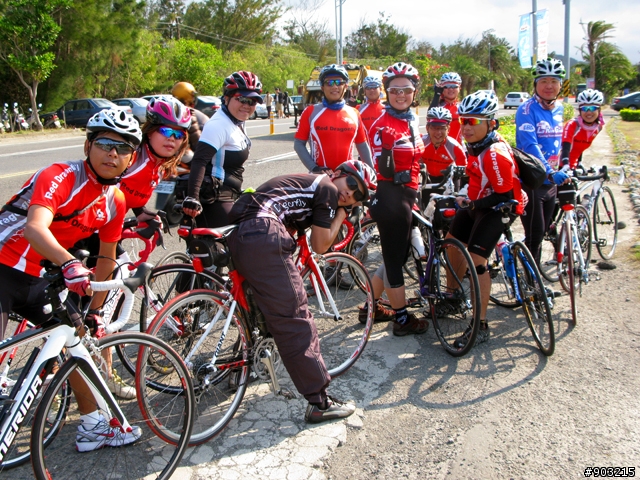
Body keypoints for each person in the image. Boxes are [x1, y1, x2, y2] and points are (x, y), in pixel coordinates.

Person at [0, 108, 143, 451]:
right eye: (106, 144)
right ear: (87, 146)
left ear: (131, 158)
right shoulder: (60, 175)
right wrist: (68, 262)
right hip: (3, 266)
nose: (113, 154)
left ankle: (93, 427)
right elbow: (35, 228)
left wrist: (94, 313)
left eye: (123, 149)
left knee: (78, 345)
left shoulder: (115, 199)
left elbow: (107, 257)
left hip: (39, 278)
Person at [226, 160, 377, 423]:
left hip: (243, 232)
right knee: (296, 318)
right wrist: (342, 214)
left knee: (259, 307)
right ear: (338, 174)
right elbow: (320, 245)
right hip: (264, 233)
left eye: (357, 195)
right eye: (351, 184)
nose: (349, 193)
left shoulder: (311, 183)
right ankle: (319, 402)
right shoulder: (328, 188)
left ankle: (239, 366)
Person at [76, 96, 191, 399]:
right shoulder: (131, 158)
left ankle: (81, 366)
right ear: (150, 130)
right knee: (100, 310)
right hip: (86, 234)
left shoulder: (160, 166)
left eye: (179, 135)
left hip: (105, 234)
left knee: (96, 307)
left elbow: (142, 204)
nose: (173, 140)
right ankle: (100, 374)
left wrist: (147, 218)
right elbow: (102, 193)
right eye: (167, 132)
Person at [447, 91, 525, 346]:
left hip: (500, 207)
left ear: (491, 123)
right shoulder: (477, 144)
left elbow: (503, 195)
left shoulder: (494, 153)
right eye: (463, 121)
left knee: (477, 261)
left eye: (473, 121)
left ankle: (480, 325)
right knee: (451, 243)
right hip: (479, 202)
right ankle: (453, 296)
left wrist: (471, 202)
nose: (466, 127)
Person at [367, 62, 429, 336]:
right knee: (394, 260)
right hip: (391, 198)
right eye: (394, 90)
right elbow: (383, 171)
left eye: (406, 89)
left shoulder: (411, 119)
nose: (400, 95)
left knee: (398, 254)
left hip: (408, 196)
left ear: (415, 91)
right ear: (386, 92)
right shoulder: (383, 125)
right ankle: (401, 319)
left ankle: (371, 307)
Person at [183, 71, 262, 227]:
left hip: (230, 194)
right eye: (242, 99)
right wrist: (193, 197)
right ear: (227, 98)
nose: (247, 105)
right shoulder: (219, 125)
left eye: (252, 101)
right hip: (214, 198)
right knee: (247, 236)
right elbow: (200, 160)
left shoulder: (237, 121)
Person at [516, 58, 568, 264]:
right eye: (544, 80)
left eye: (554, 81)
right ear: (535, 83)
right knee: (535, 237)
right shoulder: (526, 110)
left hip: (551, 182)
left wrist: (566, 164)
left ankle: (530, 273)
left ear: (561, 84)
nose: (549, 85)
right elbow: (530, 146)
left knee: (543, 230)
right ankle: (533, 289)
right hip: (533, 181)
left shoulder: (560, 109)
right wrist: (549, 171)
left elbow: (562, 141)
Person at [294, 64, 373, 173]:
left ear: (345, 86)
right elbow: (298, 144)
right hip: (320, 179)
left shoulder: (354, 113)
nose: (334, 86)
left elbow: (362, 146)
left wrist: (371, 174)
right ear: (322, 87)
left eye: (339, 82)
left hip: (347, 179)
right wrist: (314, 168)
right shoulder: (310, 112)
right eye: (329, 83)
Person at [421, 106, 467, 185]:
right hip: (427, 178)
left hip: (448, 180)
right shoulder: (421, 142)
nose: (438, 132)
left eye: (442, 128)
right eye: (434, 128)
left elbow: (465, 171)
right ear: (427, 128)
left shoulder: (455, 147)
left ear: (448, 129)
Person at [561, 89, 605, 169]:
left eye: (592, 108)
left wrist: (579, 162)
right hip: (560, 166)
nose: (588, 112)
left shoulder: (598, 127)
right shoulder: (573, 125)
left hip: (573, 166)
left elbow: (579, 146)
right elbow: (565, 148)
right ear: (580, 111)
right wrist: (565, 165)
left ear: (599, 110)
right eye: (584, 108)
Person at [429, 72, 463, 143]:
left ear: (459, 88)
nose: (450, 89)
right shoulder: (438, 107)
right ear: (442, 89)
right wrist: (437, 94)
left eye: (454, 86)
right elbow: (429, 117)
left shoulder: (463, 107)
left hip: (459, 149)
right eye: (447, 86)